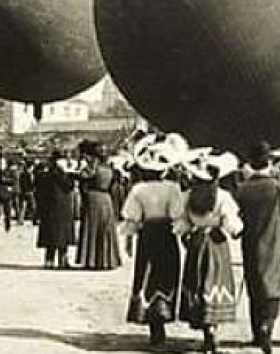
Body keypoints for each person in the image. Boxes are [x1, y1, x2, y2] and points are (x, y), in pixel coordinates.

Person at [120, 136, 187, 349]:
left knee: (147, 276)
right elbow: (178, 215)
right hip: (166, 235)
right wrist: (184, 236)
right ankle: (162, 320)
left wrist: (129, 240)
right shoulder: (172, 189)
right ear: (165, 170)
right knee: (166, 276)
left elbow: (131, 218)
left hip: (147, 235)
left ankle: (155, 330)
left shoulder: (138, 190)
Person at [236, 141, 280, 354]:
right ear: (270, 162)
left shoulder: (243, 189)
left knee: (255, 286)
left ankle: (256, 333)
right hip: (275, 242)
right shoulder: (279, 188)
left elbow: (238, 219)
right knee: (273, 288)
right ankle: (267, 327)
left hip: (250, 243)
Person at [176, 151, 242, 354]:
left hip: (197, 243)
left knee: (198, 282)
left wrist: (186, 235)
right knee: (214, 283)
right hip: (216, 243)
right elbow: (232, 224)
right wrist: (236, 231)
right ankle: (213, 329)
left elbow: (181, 223)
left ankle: (206, 330)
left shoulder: (188, 196)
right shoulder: (223, 196)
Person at [76, 144, 122, 270]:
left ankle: (91, 260)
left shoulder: (93, 168)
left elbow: (82, 176)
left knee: (92, 228)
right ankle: (107, 260)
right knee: (106, 229)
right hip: (106, 199)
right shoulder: (111, 170)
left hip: (94, 198)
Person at [36, 153, 77, 268]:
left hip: (48, 209)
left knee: (50, 236)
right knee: (62, 236)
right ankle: (63, 260)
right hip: (63, 209)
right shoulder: (63, 176)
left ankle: (49, 260)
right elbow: (69, 186)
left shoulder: (44, 175)